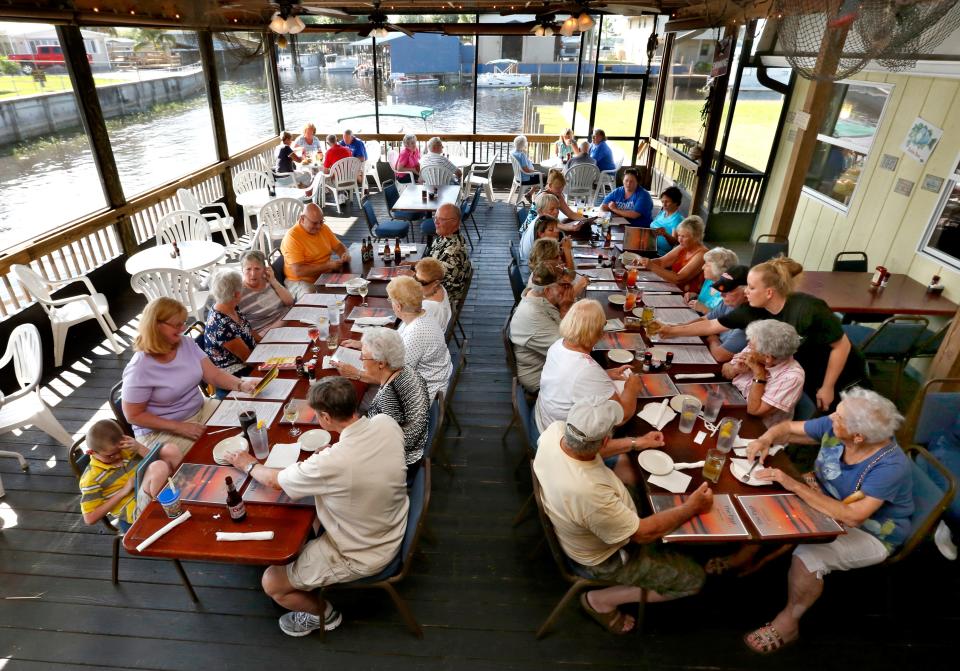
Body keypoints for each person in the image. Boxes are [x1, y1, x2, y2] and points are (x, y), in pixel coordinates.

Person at [226, 377, 408, 637]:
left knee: (272, 583)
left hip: (363, 553)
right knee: (308, 516)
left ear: (324, 417)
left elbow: (273, 481)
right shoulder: (385, 423)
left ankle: (326, 615)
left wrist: (247, 463)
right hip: (391, 519)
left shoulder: (332, 462)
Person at [740, 388, 913, 653]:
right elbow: (787, 429)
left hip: (872, 532)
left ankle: (789, 622)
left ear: (858, 436)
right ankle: (745, 555)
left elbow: (853, 517)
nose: (831, 417)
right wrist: (765, 439)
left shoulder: (889, 466)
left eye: (838, 418)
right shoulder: (839, 424)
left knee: (808, 556)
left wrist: (797, 487)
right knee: (766, 503)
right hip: (823, 498)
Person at [534, 399, 713, 633]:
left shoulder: (555, 432)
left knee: (637, 475)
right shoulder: (589, 493)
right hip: (606, 559)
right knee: (695, 580)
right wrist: (692, 507)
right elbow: (643, 534)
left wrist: (637, 442)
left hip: (587, 521)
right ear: (606, 438)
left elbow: (592, 448)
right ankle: (600, 601)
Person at [655, 257, 865, 411]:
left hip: (841, 370)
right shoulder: (754, 309)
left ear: (769, 292)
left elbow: (841, 346)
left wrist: (828, 386)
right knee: (816, 410)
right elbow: (711, 326)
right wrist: (671, 330)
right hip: (801, 367)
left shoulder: (808, 308)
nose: (746, 291)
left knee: (848, 418)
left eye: (752, 287)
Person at [535, 300, 664, 467]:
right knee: (628, 465)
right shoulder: (587, 370)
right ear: (596, 332)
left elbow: (571, 379)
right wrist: (632, 388)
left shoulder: (558, 345)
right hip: (563, 443)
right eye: (602, 327)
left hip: (543, 420)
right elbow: (622, 416)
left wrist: (606, 374)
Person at [121, 297, 257, 454]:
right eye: (177, 324)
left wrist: (241, 385)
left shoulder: (186, 343)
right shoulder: (139, 367)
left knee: (248, 424)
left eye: (183, 322)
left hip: (200, 409)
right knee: (212, 453)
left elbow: (214, 375)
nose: (183, 328)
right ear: (156, 326)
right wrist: (179, 427)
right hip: (161, 431)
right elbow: (133, 415)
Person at [333, 328, 430, 478]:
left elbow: (376, 447)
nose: (361, 361)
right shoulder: (406, 370)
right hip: (411, 445)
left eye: (364, 357)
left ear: (381, 363)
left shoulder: (388, 400)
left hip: (401, 463)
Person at [346, 275, 452, 399]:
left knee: (360, 400)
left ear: (398, 306)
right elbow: (396, 340)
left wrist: (356, 374)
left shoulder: (416, 333)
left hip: (425, 394)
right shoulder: (419, 315)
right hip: (430, 379)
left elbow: (393, 378)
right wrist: (365, 345)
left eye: (391, 300)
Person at [79, 419, 183, 532]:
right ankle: (169, 508)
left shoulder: (126, 448)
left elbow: (155, 461)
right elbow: (89, 519)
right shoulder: (91, 478)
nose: (118, 456)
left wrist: (139, 448)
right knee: (158, 467)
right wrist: (124, 490)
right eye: (110, 456)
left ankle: (184, 492)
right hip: (135, 509)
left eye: (119, 450)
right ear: (91, 452)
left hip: (150, 487)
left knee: (170, 449)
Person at [723, 320, 805, 428]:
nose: (748, 345)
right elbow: (725, 370)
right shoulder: (755, 347)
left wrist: (759, 373)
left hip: (759, 429)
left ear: (768, 357)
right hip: (732, 401)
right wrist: (735, 370)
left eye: (751, 346)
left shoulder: (792, 377)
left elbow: (754, 411)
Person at [510, 263, 568, 393]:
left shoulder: (535, 296)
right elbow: (566, 350)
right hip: (540, 378)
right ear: (547, 290)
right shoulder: (533, 315)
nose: (564, 290)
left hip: (550, 366)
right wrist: (564, 309)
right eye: (561, 286)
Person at [280, 203, 351, 299]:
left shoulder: (324, 228)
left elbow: (339, 247)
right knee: (312, 300)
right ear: (302, 219)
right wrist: (327, 266)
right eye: (314, 223)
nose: (319, 226)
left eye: (321, 221)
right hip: (301, 281)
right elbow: (299, 271)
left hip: (324, 274)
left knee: (351, 288)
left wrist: (344, 254)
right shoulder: (292, 237)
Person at [203, 270, 258, 394]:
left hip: (251, 359)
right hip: (236, 375)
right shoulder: (221, 325)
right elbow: (248, 359)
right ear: (237, 294)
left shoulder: (230, 305)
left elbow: (249, 331)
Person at [638, 216, 707, 295]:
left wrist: (651, 266)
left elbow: (678, 278)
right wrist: (641, 262)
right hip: (671, 288)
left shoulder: (702, 254)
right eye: (679, 235)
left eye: (683, 236)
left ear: (696, 237)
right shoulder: (683, 246)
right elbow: (661, 262)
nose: (679, 239)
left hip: (685, 298)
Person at [698, 265, 750, 364]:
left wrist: (712, 339)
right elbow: (705, 320)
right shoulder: (729, 302)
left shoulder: (749, 318)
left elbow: (720, 355)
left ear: (746, 291)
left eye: (728, 290)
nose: (722, 294)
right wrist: (676, 326)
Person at [238, 249, 295, 334]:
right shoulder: (238, 293)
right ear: (242, 270)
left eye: (257, 268)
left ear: (264, 269)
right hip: (267, 334)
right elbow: (241, 328)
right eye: (248, 269)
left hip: (288, 319)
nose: (253, 274)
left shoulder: (269, 280)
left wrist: (273, 281)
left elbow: (290, 302)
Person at [423, 203, 472, 300]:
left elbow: (433, 287)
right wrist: (412, 263)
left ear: (454, 222)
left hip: (443, 301)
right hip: (435, 286)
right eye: (435, 218)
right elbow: (433, 261)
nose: (436, 222)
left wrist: (412, 276)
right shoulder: (446, 236)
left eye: (441, 219)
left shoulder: (452, 253)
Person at [520, 169, 585, 234]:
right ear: (550, 185)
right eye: (558, 188)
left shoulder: (557, 194)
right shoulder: (544, 197)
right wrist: (567, 227)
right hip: (531, 232)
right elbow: (547, 220)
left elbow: (570, 214)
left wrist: (585, 220)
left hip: (542, 229)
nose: (560, 191)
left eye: (562, 188)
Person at [689, 247, 739, 313]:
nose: (702, 267)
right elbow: (708, 300)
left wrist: (704, 309)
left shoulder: (728, 292)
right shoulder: (709, 280)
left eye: (707, 265)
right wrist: (695, 295)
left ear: (718, 269)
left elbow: (723, 318)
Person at [415, 257, 452, 331]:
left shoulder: (428, 307)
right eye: (415, 278)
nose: (416, 284)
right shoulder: (440, 288)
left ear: (436, 283)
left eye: (422, 282)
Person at [649, 186, 685, 256]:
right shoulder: (662, 212)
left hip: (659, 254)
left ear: (676, 202)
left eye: (667, 202)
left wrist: (665, 234)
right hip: (650, 247)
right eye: (662, 201)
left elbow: (674, 242)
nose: (664, 204)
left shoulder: (677, 219)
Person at [511, 135, 543, 203]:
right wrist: (537, 171)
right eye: (525, 142)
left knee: (539, 176)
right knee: (543, 177)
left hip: (518, 176)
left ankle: (530, 194)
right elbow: (526, 170)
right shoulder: (521, 155)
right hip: (525, 177)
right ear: (523, 144)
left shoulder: (513, 152)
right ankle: (536, 197)